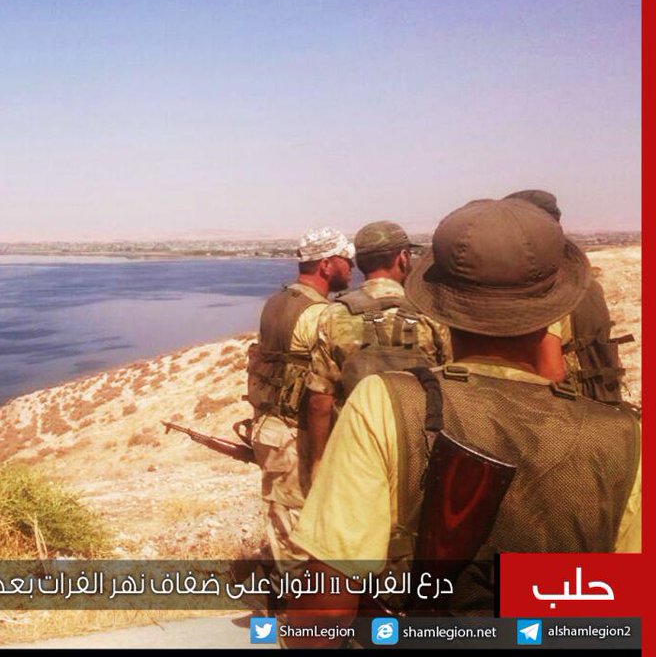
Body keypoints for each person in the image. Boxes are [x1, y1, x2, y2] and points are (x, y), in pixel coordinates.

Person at [283, 199, 641, 646]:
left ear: (442, 302)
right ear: (557, 311)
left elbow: (325, 607)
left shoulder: (385, 403)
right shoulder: (627, 438)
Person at [303, 221, 449, 477]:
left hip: (357, 450)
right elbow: (453, 383)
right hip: (421, 449)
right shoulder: (430, 313)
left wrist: (318, 461)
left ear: (360, 262)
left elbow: (320, 399)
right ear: (403, 258)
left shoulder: (333, 315)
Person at [245, 227, 353, 563]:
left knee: (283, 520)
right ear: (326, 265)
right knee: (297, 532)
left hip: (270, 428)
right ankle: (295, 609)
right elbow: (323, 393)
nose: (352, 267)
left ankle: (288, 601)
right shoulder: (322, 315)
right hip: (296, 436)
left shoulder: (277, 302)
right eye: (346, 260)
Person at [505, 190, 630, 405]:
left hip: (567, 415)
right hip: (602, 405)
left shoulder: (549, 288)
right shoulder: (582, 279)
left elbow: (550, 372)